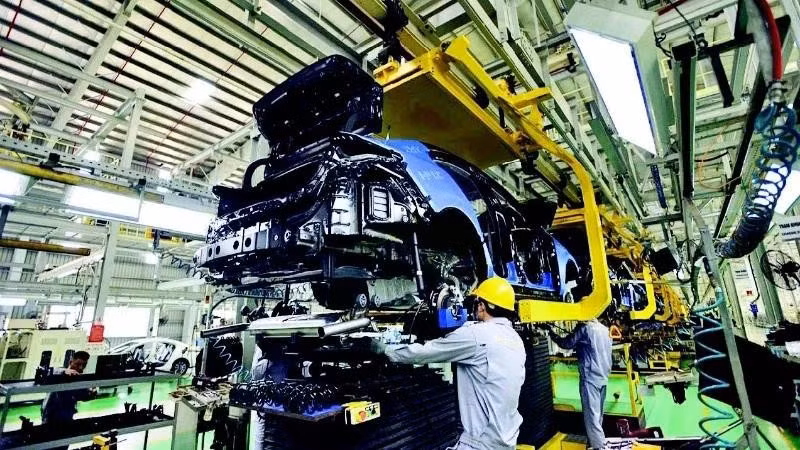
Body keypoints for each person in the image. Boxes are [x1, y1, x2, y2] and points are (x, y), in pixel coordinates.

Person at [372, 277, 526, 450]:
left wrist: (386, 350)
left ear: (482, 306)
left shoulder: (476, 335)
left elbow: (425, 352)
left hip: (480, 444)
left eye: (476, 303)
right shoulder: (515, 340)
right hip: (507, 441)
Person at [545, 319, 612, 450]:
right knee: (598, 418)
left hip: (590, 379)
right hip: (603, 378)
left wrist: (551, 332)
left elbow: (567, 343)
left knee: (592, 420)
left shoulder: (585, 328)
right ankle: (593, 444)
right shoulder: (604, 329)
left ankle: (599, 447)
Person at [41, 350, 96, 448]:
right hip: (51, 417)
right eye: (78, 364)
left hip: (67, 419)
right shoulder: (59, 373)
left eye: (84, 365)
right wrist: (64, 372)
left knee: (63, 445)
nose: (81, 368)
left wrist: (91, 393)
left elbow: (83, 395)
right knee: (48, 444)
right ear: (71, 362)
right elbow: (48, 373)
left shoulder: (78, 379)